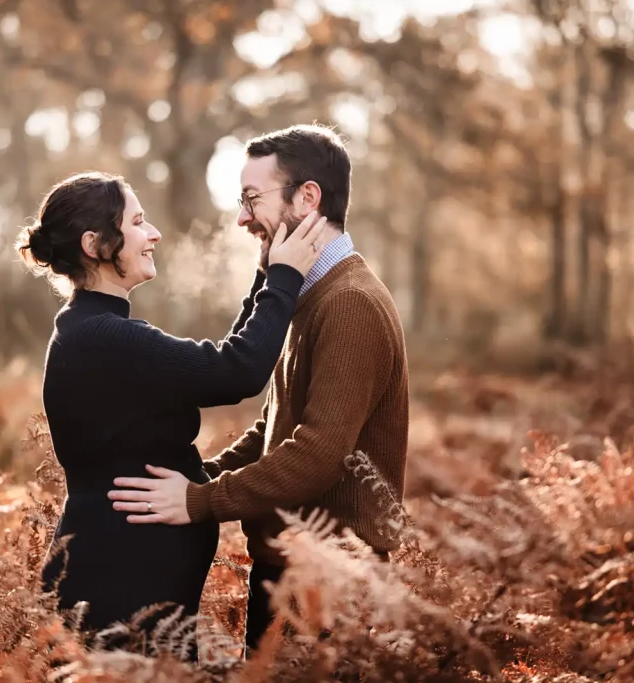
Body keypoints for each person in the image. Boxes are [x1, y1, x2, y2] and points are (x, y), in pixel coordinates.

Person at [107, 124, 410, 657]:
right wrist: (189, 480)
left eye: (252, 199)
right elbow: (276, 431)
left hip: (330, 589)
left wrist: (199, 501)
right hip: (293, 576)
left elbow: (316, 455)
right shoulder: (313, 296)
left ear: (307, 198)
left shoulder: (349, 305)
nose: (242, 217)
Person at [16, 170, 329, 661]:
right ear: (97, 244)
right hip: (117, 584)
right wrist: (283, 278)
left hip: (129, 580)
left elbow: (228, 359)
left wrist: (268, 273)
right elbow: (238, 370)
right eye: (138, 222)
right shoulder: (107, 338)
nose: (153, 233)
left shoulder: (94, 330)